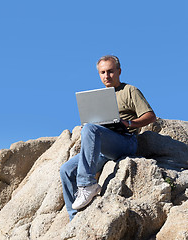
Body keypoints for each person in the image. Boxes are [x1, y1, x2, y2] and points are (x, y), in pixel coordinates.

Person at [60, 55, 156, 221]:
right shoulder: (99, 97)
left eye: (111, 71)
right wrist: (90, 127)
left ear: (119, 71)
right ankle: (74, 219)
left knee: (90, 128)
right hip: (103, 148)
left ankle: (87, 184)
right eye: (103, 72)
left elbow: (151, 116)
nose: (107, 75)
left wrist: (129, 123)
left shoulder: (130, 90)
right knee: (66, 170)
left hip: (125, 142)